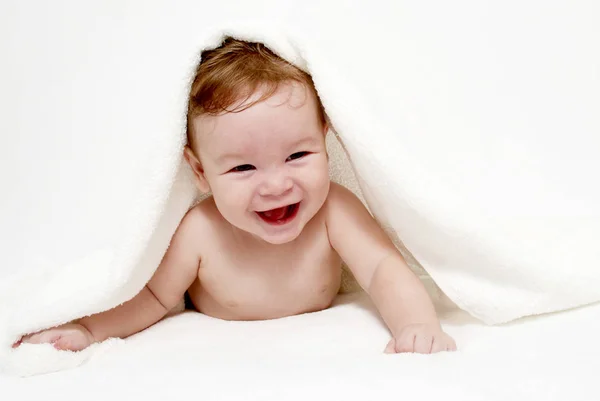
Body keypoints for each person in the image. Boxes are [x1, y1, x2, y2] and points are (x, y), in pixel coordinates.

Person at [17, 38, 456, 354]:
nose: (275, 185)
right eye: (243, 167)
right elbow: (152, 298)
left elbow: (382, 270)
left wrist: (415, 324)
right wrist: (89, 331)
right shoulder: (201, 231)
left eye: (298, 154)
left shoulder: (334, 211)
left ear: (327, 140)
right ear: (200, 171)